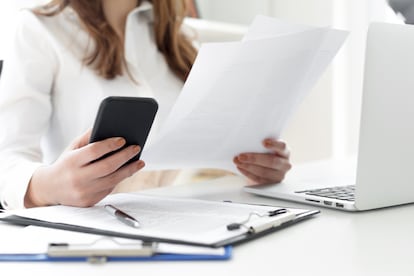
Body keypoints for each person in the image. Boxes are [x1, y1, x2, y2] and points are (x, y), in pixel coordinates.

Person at [0, 0, 292, 210]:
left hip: (193, 219)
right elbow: (7, 158)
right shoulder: (39, 29)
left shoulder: (180, 37)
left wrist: (255, 167)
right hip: (97, 230)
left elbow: (203, 153)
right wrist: (44, 187)